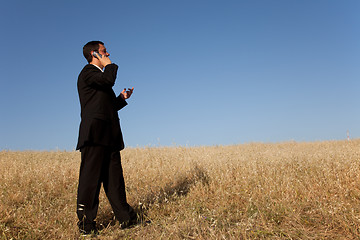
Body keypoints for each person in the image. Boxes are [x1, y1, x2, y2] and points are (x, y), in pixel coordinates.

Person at [76, 41, 136, 235]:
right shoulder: (88, 73)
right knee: (90, 180)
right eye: (103, 51)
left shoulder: (99, 78)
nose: (108, 53)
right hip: (94, 136)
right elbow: (108, 80)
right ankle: (86, 225)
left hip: (109, 137)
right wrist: (109, 64)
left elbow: (106, 106)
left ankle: (127, 218)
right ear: (94, 54)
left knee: (115, 180)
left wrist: (121, 99)